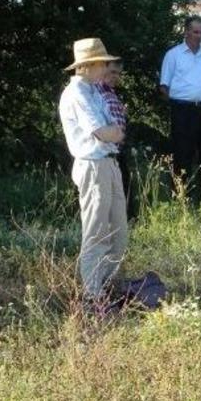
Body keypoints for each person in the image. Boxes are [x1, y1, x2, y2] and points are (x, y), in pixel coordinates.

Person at [59, 38, 128, 311]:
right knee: (97, 232)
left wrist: (114, 131)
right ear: (88, 65)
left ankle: (106, 287)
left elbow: (115, 128)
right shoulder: (77, 93)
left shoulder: (93, 91)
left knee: (119, 232)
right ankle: (92, 295)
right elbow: (104, 131)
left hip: (109, 163)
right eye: (102, 63)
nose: (106, 68)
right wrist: (114, 132)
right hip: (92, 164)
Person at [159, 16, 201, 195]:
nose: (199, 36)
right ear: (186, 32)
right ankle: (180, 195)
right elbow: (164, 87)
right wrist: (178, 104)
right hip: (182, 110)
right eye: (195, 32)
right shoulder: (173, 55)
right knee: (182, 152)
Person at [96, 60, 137, 220]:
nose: (116, 77)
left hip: (115, 148)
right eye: (113, 72)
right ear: (102, 69)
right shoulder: (97, 91)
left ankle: (126, 220)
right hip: (103, 150)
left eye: (118, 74)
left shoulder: (110, 91)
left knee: (123, 184)